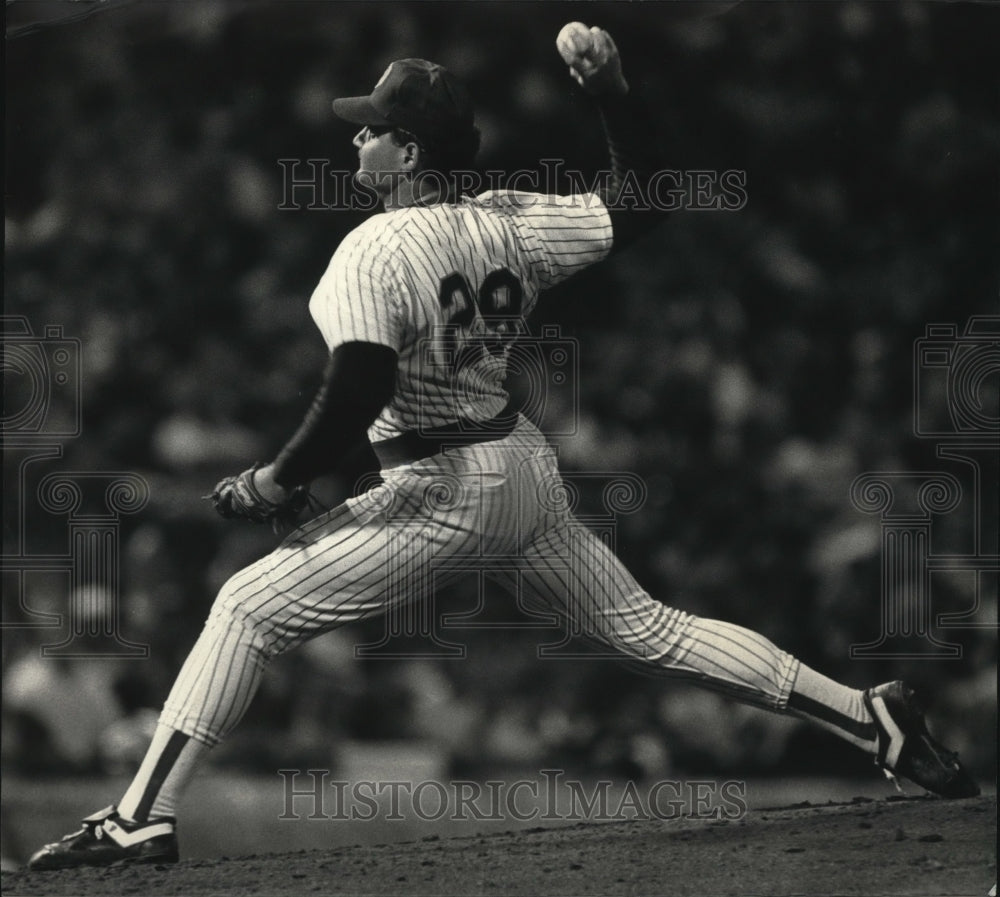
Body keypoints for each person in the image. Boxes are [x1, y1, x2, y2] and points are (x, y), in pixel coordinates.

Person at [27, 23, 978, 872]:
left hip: (444, 482)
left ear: (408, 152)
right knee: (647, 629)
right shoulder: (510, 219)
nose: (357, 137)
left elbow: (357, 382)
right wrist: (608, 93)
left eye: (372, 127)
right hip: (517, 465)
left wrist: (279, 477)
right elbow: (641, 202)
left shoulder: (373, 249)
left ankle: (137, 817)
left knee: (244, 605)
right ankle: (868, 714)